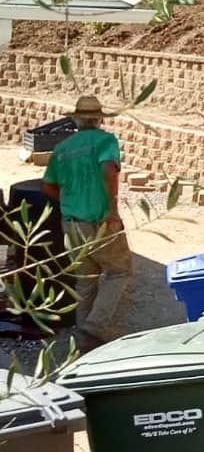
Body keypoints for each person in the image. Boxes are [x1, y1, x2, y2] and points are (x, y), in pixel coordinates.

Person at [41, 96, 130, 352]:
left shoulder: (63, 147)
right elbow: (108, 171)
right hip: (100, 219)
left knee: (85, 279)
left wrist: (69, 202)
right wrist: (112, 210)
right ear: (100, 119)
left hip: (72, 223)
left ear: (76, 119)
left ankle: (84, 340)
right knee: (119, 271)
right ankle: (95, 326)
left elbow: (48, 185)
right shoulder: (106, 141)